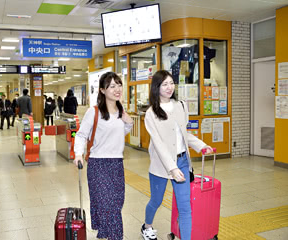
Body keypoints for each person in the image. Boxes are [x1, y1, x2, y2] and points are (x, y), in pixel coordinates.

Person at [140, 70, 213, 240]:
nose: (169, 87)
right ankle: (147, 226)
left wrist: (201, 146)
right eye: (164, 84)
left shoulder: (181, 105)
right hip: (161, 164)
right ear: (156, 87)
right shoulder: (151, 113)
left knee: (185, 206)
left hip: (182, 161)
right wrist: (171, 168)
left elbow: (183, 134)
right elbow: (158, 144)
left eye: (171, 83)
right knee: (156, 201)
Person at [73, 72, 133, 240]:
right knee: (109, 206)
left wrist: (128, 121)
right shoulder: (94, 112)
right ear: (102, 90)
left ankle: (106, 231)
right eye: (112, 86)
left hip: (117, 164)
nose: (117, 89)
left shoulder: (121, 112)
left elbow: (122, 132)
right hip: (98, 164)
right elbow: (81, 135)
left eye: (119, 85)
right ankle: (115, 236)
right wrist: (78, 153)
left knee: (116, 203)